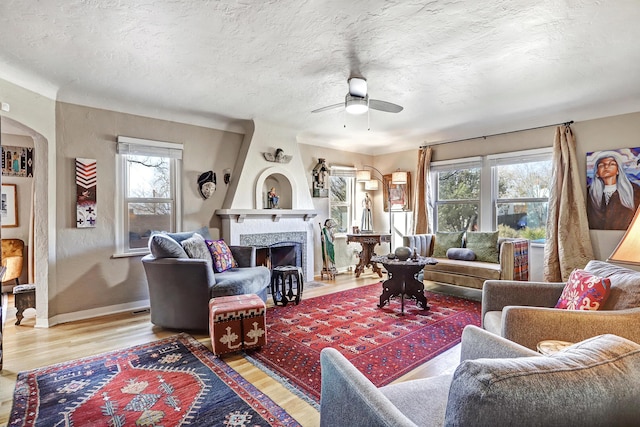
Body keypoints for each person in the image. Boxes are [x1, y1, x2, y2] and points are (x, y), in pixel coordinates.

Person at [587, 150, 640, 230]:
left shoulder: (634, 191)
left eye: (611, 164)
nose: (606, 167)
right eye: (601, 165)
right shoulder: (589, 192)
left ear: (618, 170)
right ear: (597, 172)